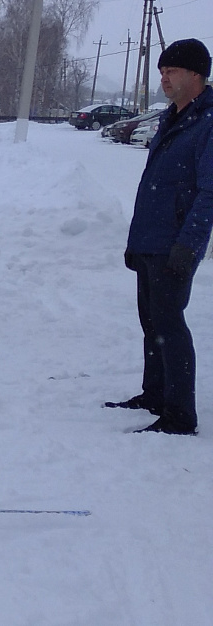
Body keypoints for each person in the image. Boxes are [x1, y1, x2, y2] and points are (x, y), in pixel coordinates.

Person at [107, 39, 212, 435]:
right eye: (162, 72)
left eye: (172, 72)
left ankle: (180, 414)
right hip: (151, 241)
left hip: (175, 244)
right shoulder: (173, 117)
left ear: (197, 75)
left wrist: (188, 246)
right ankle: (155, 394)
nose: (164, 78)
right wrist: (136, 242)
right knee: (151, 322)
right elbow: (156, 183)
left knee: (170, 324)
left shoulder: (207, 123)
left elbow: (209, 191)